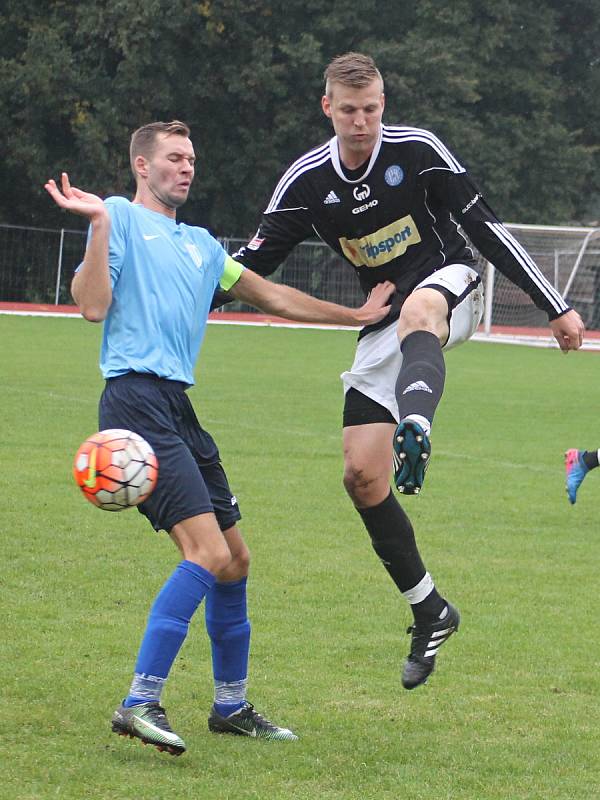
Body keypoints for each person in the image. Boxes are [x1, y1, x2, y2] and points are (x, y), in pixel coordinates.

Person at [225, 52, 586, 690]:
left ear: (382, 104)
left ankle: (416, 425)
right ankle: (430, 609)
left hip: (451, 285)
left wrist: (553, 305)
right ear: (327, 109)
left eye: (371, 109)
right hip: (384, 320)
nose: (361, 122)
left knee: (421, 308)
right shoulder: (307, 183)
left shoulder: (418, 152)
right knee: (362, 475)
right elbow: (253, 265)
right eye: (348, 111)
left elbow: (487, 226)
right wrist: (182, 281)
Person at [44, 120, 393, 756]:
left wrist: (358, 315)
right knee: (204, 553)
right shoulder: (118, 216)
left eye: (192, 158)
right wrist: (96, 228)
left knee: (235, 561)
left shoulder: (203, 245)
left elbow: (275, 298)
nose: (187, 167)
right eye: (174, 157)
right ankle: (139, 701)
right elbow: (92, 305)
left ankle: (230, 705)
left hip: (177, 406)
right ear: (142, 167)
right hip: (134, 400)